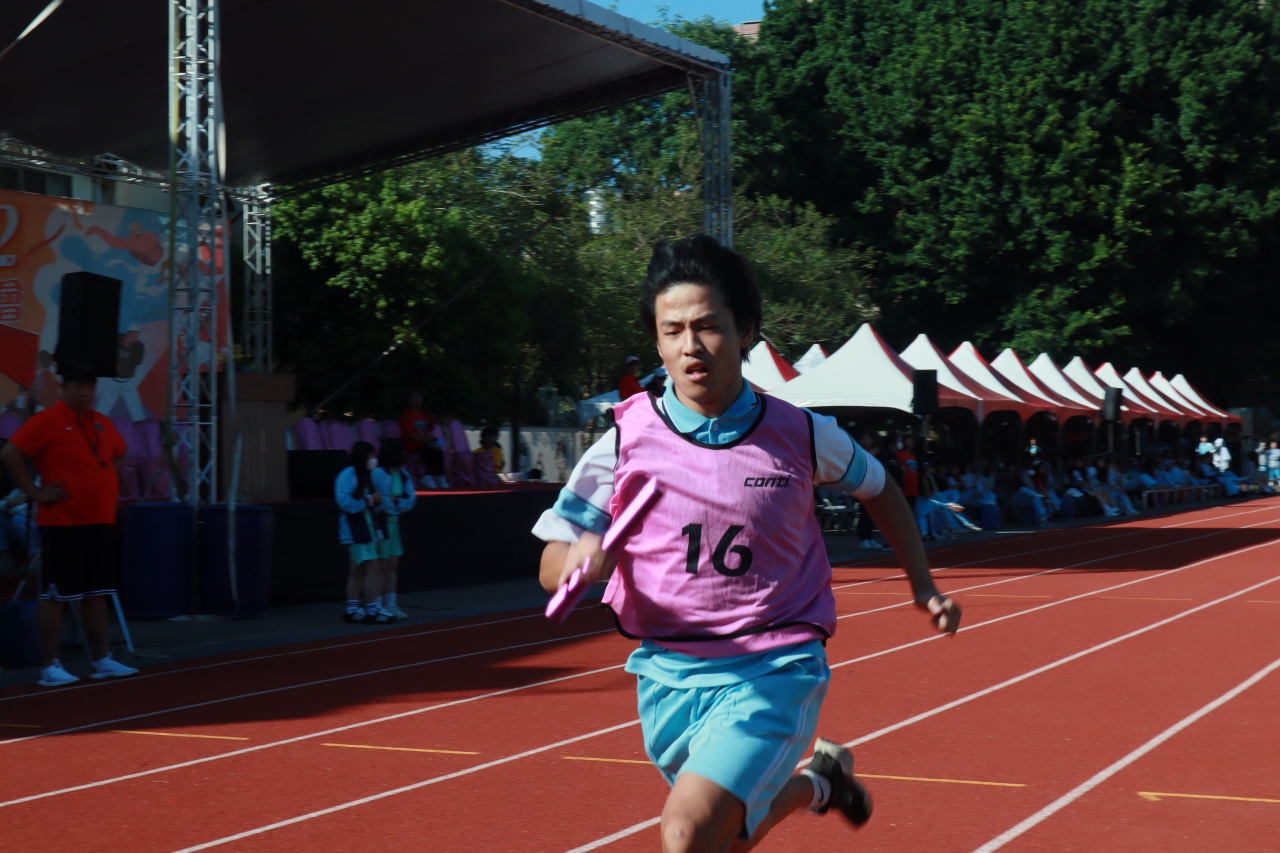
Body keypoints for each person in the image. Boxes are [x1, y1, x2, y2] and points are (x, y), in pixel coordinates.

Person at [534, 236, 961, 851]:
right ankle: (821, 783)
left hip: (774, 665)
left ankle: (808, 780)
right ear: (657, 342)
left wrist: (923, 587)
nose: (690, 346)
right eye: (673, 331)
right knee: (723, 839)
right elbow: (550, 563)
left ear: (746, 332)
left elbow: (882, 489)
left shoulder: (801, 433)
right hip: (668, 676)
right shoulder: (624, 441)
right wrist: (578, 561)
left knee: (686, 830)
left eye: (708, 326)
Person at [0, 364, 139, 687]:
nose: (85, 393)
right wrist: (35, 492)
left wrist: (103, 479)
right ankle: (50, 666)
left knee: (97, 592)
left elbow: (119, 453)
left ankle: (102, 659)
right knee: (55, 594)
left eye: (90, 387)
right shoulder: (47, 420)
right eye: (78, 387)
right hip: (63, 523)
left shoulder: (101, 422)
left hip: (99, 520)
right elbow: (10, 454)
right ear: (63, 389)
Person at [336, 441, 395, 625]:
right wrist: (369, 500)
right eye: (370, 456)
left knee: (357, 569)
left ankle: (352, 609)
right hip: (356, 531)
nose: (373, 459)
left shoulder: (366, 476)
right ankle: (372, 609)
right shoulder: (347, 476)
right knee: (373, 567)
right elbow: (344, 502)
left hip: (367, 529)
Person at [372, 438, 416, 620]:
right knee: (380, 567)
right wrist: (393, 502)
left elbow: (410, 499)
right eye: (402, 451)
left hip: (397, 525)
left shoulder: (403, 474)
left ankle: (391, 604)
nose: (404, 454)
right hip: (381, 525)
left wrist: (397, 501)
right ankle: (377, 606)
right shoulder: (377, 473)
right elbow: (380, 500)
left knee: (392, 565)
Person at [399, 391, 448, 489]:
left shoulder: (424, 415)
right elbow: (408, 434)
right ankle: (427, 476)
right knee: (430, 451)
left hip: (425, 443)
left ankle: (439, 476)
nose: (416, 401)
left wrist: (433, 421)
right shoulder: (406, 416)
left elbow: (430, 428)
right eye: (414, 398)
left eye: (418, 398)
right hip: (413, 446)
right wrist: (425, 440)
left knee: (438, 451)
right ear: (408, 402)